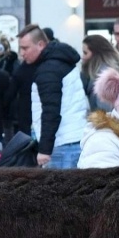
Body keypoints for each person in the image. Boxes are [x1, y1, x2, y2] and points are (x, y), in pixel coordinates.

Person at [15, 24, 82, 167]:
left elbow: (51, 111)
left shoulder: (48, 70)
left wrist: (45, 149)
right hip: (71, 139)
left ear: (40, 45)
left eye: (25, 48)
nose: (21, 53)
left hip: (61, 144)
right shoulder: (60, 61)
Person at [78, 33, 119, 113]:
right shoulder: (95, 74)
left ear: (96, 54)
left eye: (85, 53)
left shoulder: (105, 77)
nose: (83, 57)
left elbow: (105, 110)